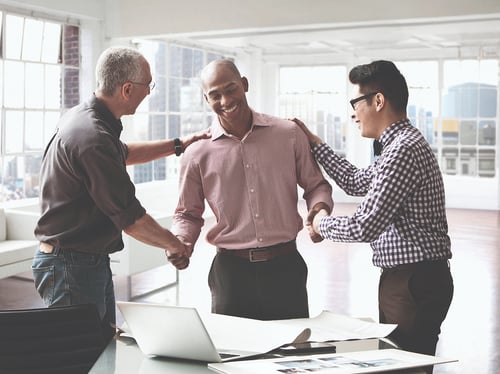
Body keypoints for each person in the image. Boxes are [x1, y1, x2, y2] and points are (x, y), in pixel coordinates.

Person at [33, 46, 208, 341]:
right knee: (80, 356)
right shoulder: (94, 137)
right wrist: (176, 244)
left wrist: (179, 144)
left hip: (82, 261)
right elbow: (131, 218)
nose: (150, 92)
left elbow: (122, 153)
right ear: (127, 89)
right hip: (70, 267)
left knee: (101, 350)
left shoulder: (85, 119)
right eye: (147, 85)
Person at [293, 60, 453, 371]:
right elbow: (356, 181)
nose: (353, 113)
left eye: (355, 103)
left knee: (407, 368)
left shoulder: (402, 150)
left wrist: (320, 224)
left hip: (413, 280)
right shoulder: (397, 145)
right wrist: (316, 145)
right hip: (413, 278)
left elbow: (365, 225)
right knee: (407, 364)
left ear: (377, 101)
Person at [169, 59, 333, 321]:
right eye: (215, 95)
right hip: (230, 274)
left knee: (292, 355)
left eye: (231, 89)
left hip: (285, 267)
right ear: (206, 99)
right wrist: (182, 242)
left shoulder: (288, 134)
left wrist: (319, 212)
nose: (225, 100)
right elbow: (187, 214)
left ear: (244, 85)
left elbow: (316, 185)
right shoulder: (197, 153)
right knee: (234, 356)